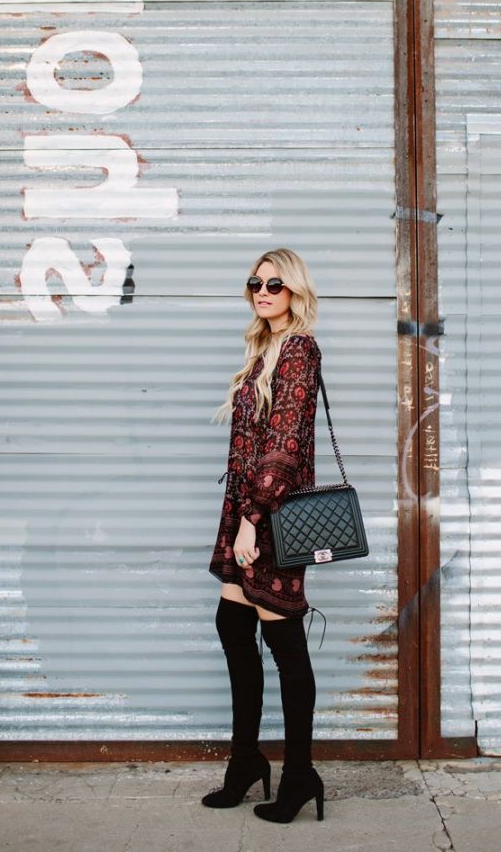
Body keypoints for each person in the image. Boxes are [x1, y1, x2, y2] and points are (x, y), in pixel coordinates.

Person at [203, 247, 325, 823]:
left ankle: (299, 774)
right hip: (248, 510)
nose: (263, 291)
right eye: (255, 282)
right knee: (233, 623)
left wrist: (253, 519)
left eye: (275, 283)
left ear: (295, 290)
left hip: (269, 514)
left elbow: (286, 443)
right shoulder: (263, 351)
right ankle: (246, 760)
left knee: (284, 642)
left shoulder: (299, 349)